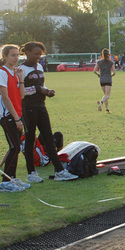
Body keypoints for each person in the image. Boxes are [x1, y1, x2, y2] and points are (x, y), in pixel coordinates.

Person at [19, 41, 78, 182]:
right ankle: (31, 173)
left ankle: (59, 171)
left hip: (41, 105)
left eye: (40, 54)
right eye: (35, 54)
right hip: (28, 108)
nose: (38, 56)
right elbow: (19, 92)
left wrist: (47, 90)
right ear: (27, 53)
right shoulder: (21, 69)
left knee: (49, 138)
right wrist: (39, 90)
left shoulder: (39, 66)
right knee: (30, 139)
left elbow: (42, 85)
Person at [0, 44, 30, 192]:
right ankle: (6, 181)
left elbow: (21, 95)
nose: (16, 57)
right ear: (4, 56)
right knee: (15, 147)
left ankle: (12, 177)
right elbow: (5, 98)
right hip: (8, 115)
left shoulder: (14, 73)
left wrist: (20, 78)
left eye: (17, 55)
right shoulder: (2, 72)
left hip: (17, 113)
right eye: (13, 55)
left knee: (16, 147)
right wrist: (16, 118)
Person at [94, 48, 116, 113]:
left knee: (105, 95)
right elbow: (114, 72)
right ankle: (101, 102)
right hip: (108, 80)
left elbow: (94, 71)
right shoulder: (111, 63)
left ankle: (107, 109)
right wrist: (111, 75)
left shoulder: (99, 62)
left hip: (102, 79)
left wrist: (98, 75)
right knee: (107, 95)